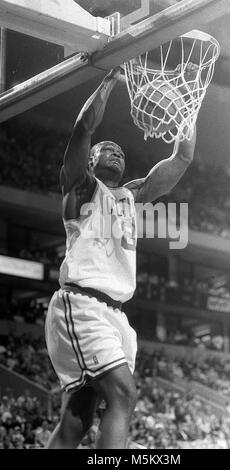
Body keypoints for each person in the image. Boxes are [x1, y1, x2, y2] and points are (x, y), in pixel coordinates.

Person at [45, 66, 196, 449]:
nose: (114, 150)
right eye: (104, 149)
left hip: (115, 314)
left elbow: (182, 158)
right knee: (124, 395)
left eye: (120, 150)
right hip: (82, 303)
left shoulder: (133, 196)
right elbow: (83, 127)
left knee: (77, 419)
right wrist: (110, 79)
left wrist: (187, 111)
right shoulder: (79, 186)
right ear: (90, 162)